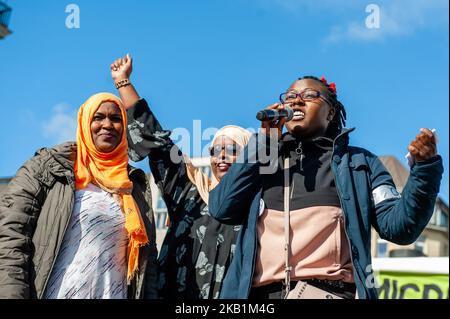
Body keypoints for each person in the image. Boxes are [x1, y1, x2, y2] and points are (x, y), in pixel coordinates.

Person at [208, 75, 443, 299]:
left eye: (310, 94)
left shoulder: (360, 165)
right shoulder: (261, 161)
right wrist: (264, 142)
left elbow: (399, 228)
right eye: (289, 96)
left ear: (331, 112)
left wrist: (424, 169)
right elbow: (221, 208)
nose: (296, 100)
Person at [110, 54, 251, 299]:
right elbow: (159, 143)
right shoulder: (189, 192)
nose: (222, 157)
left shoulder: (258, 207)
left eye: (232, 150)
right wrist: (124, 82)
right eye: (215, 151)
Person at [0, 93, 158, 299]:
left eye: (116, 118)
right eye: (98, 117)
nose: (107, 124)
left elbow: (149, 265)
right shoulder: (46, 168)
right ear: (84, 122)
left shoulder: (135, 187)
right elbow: (11, 237)